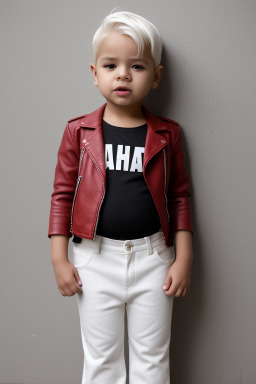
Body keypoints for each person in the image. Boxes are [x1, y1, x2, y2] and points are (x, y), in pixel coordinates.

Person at [48, 10, 193, 384]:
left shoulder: (168, 134)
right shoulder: (77, 133)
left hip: (154, 260)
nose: (123, 74)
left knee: (152, 362)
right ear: (95, 73)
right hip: (94, 260)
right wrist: (59, 259)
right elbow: (62, 195)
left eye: (137, 66)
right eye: (111, 65)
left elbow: (179, 198)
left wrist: (183, 257)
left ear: (156, 76)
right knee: (101, 363)